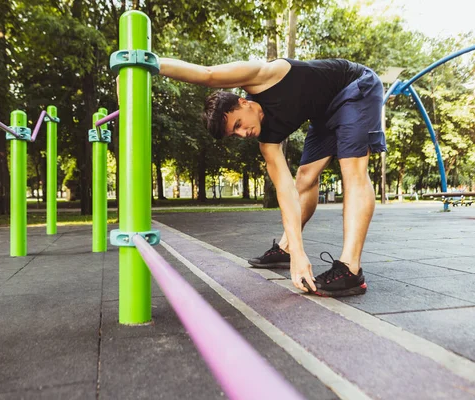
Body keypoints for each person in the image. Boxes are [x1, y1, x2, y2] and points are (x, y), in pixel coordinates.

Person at [156, 57, 385, 297]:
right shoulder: (268, 142)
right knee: (304, 178)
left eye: (238, 124)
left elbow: (208, 73)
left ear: (244, 103)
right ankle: (286, 249)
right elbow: (285, 192)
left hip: (355, 87)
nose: (243, 134)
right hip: (324, 113)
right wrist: (298, 253)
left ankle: (351, 270)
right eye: (235, 133)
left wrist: (151, 62)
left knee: (352, 170)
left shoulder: (264, 77)